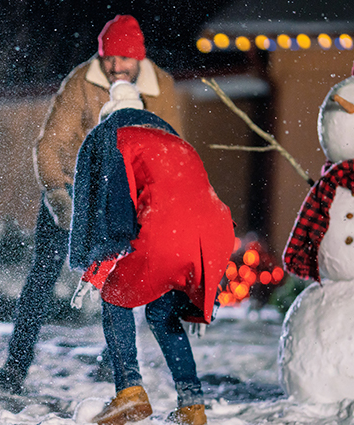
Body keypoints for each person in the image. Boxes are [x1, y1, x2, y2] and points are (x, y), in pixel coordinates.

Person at [0, 14, 184, 394]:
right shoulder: (82, 81)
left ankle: (113, 364)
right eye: (109, 59)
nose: (116, 68)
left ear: (139, 60)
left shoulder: (161, 88)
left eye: (124, 60)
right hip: (72, 187)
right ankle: (15, 366)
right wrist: (57, 195)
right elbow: (51, 142)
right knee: (41, 278)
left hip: (123, 198)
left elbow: (170, 150)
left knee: (126, 280)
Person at [69, 81, 235, 425]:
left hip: (158, 229)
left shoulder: (109, 134)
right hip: (208, 236)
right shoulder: (177, 142)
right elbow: (201, 200)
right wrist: (209, 282)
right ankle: (193, 405)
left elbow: (96, 200)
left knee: (115, 296)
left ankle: (130, 391)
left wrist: (94, 257)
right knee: (163, 313)